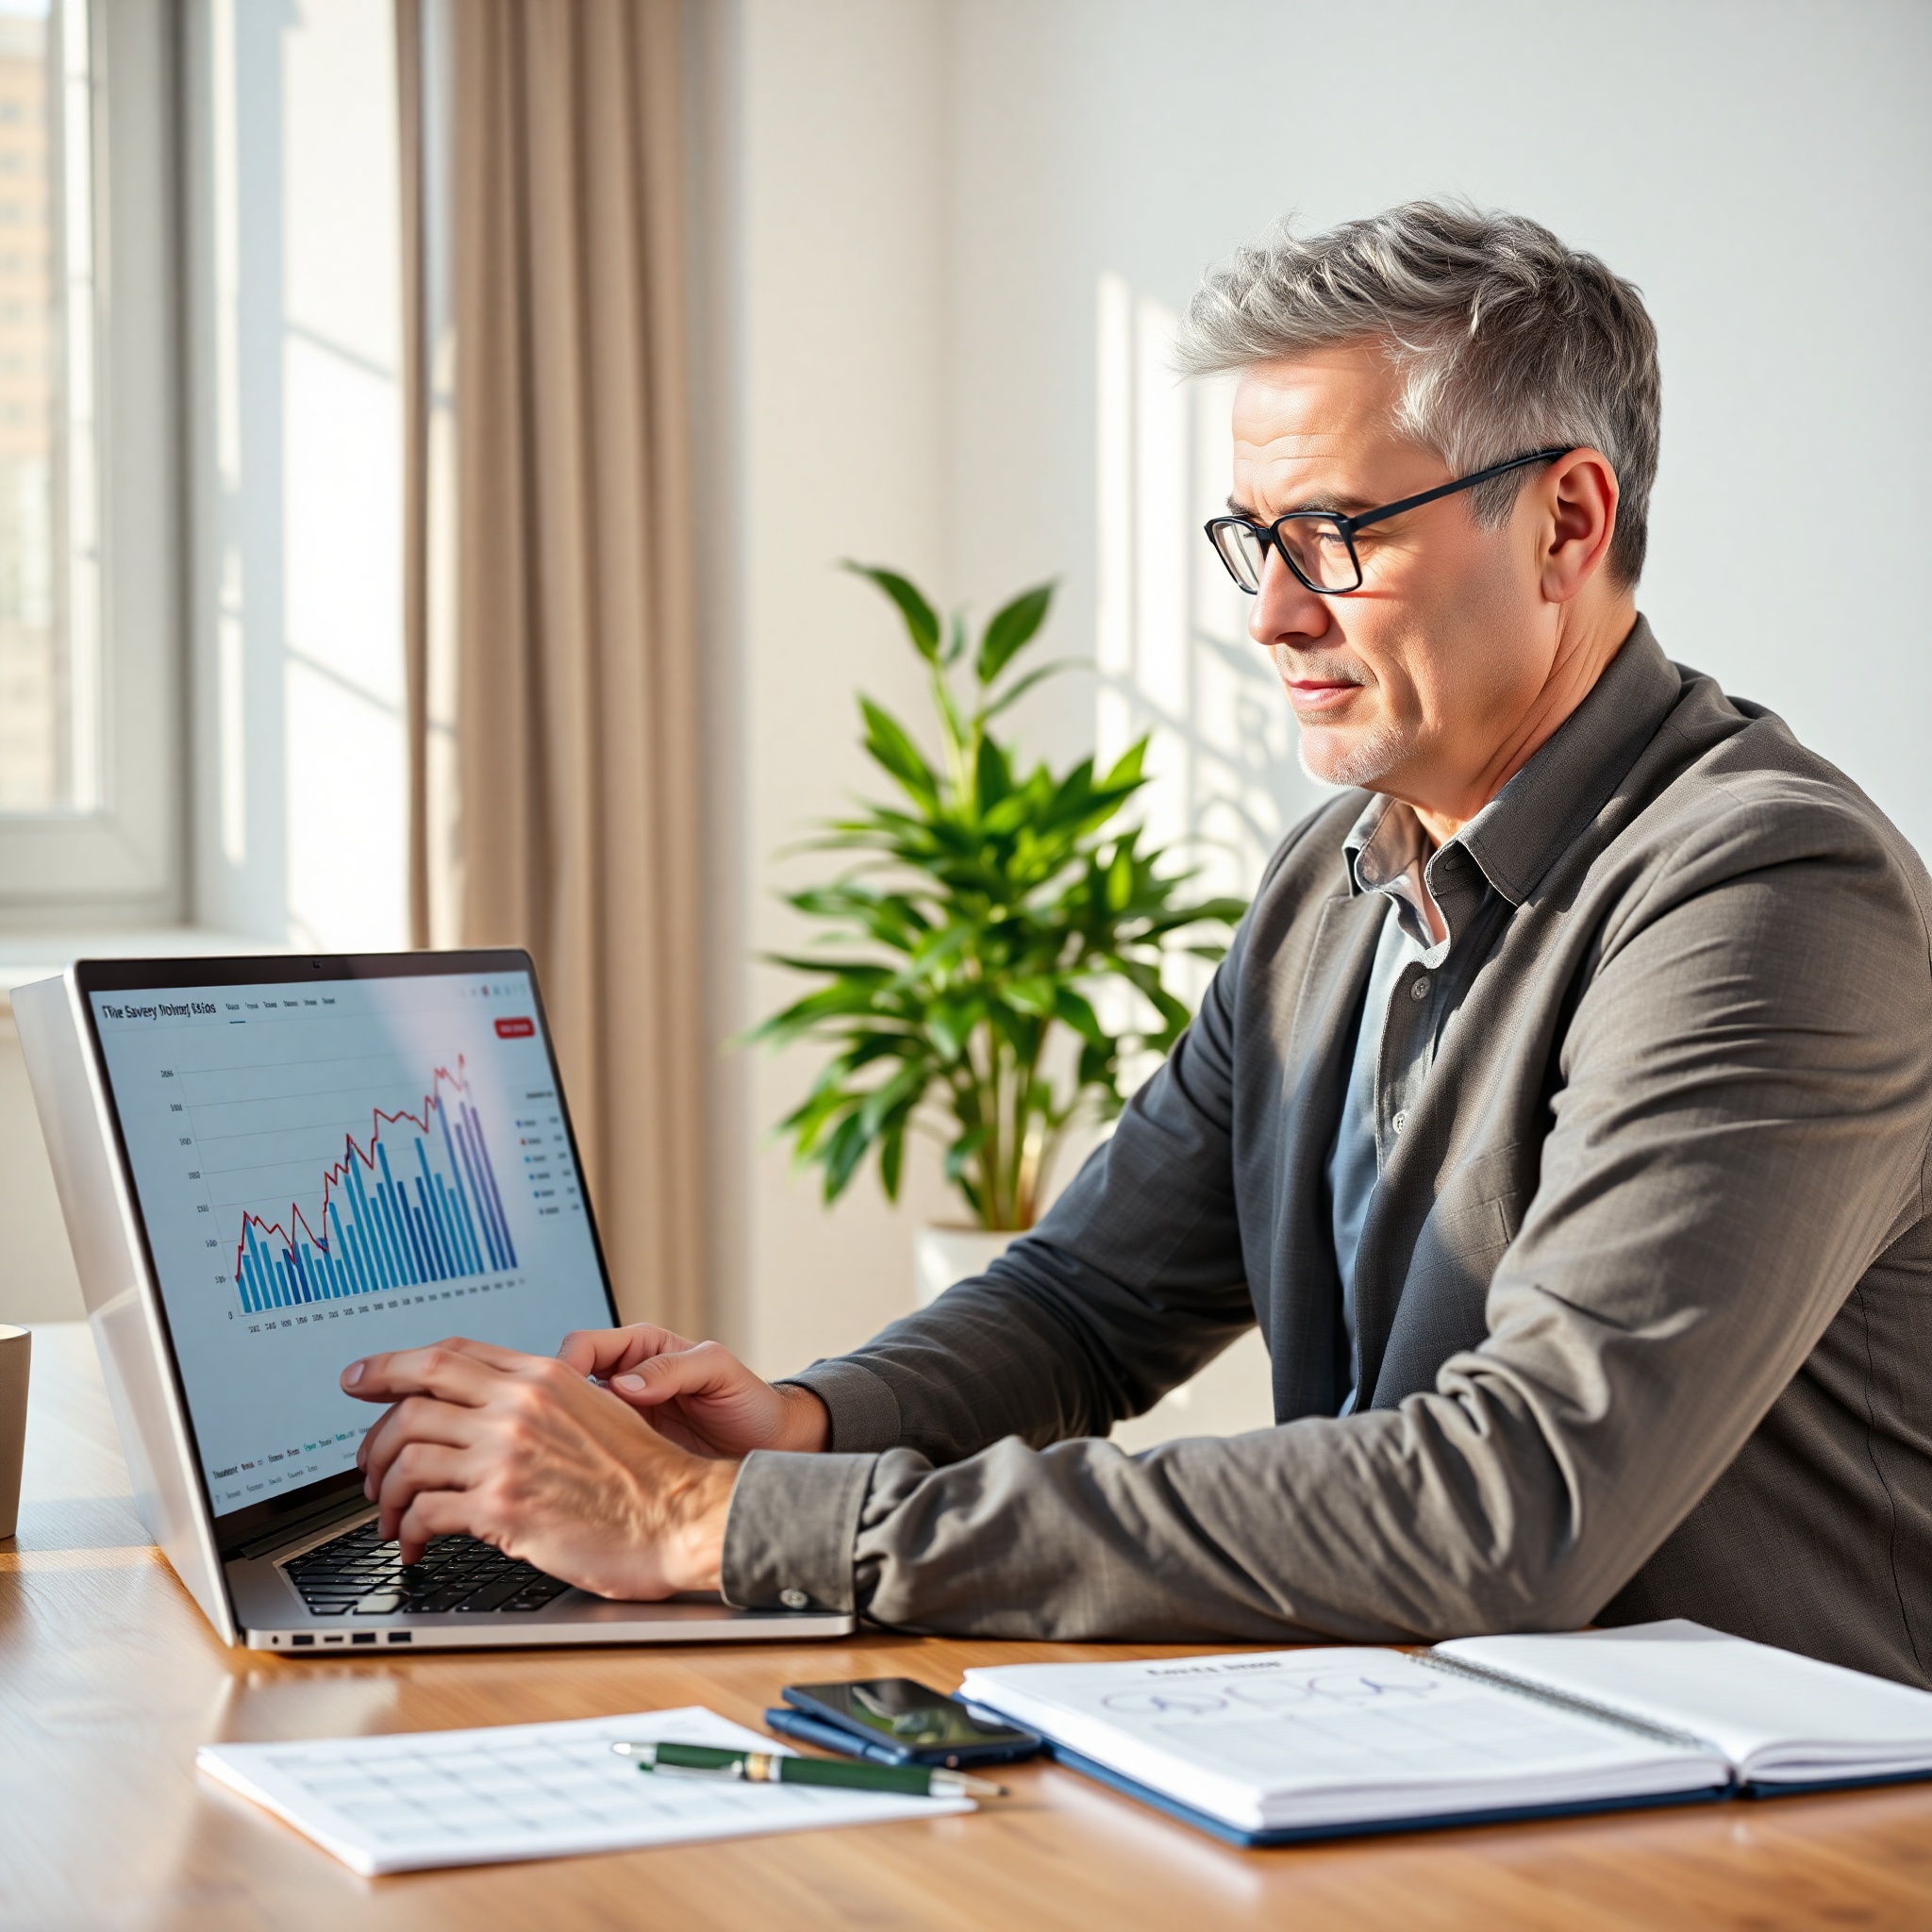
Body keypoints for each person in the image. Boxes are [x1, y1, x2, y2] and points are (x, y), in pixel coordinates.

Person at [340, 202, 1932, 1686]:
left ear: (1565, 521)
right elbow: (1087, 1306)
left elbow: (1512, 1502)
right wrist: (796, 1431)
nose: (1272, 618)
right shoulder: (1341, 878)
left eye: (1335, 534)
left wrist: (719, 1528)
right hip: (1458, 1764)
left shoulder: (1768, 897)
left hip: (1775, 1834)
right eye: (1255, 540)